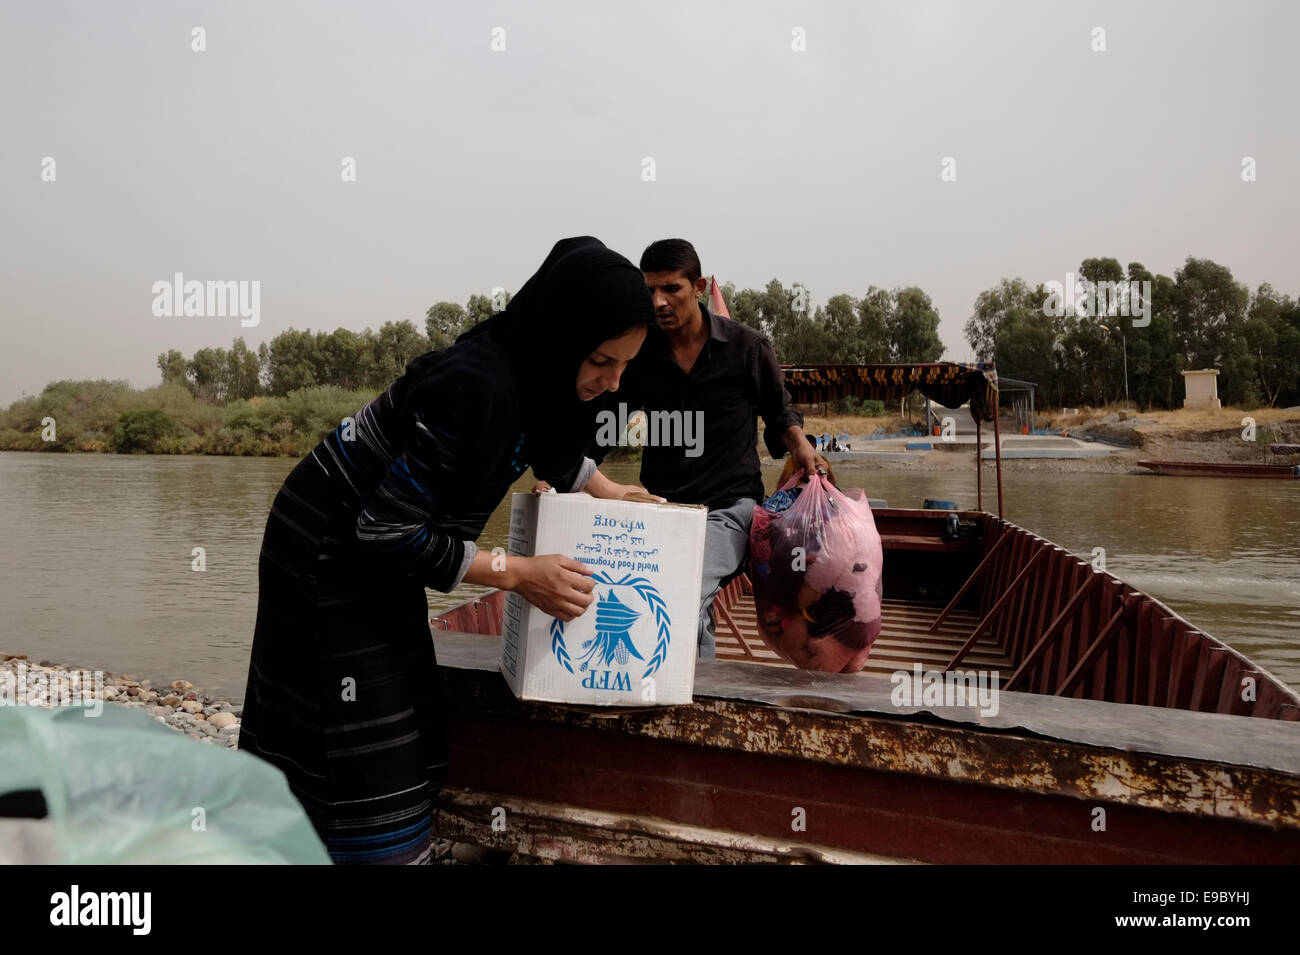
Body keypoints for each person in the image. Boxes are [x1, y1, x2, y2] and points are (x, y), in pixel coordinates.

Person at [238, 237, 657, 864]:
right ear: (562, 336)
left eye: (624, 365)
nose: (612, 381)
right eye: (601, 360)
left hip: (377, 550)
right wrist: (515, 573)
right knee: (357, 732)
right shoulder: (475, 386)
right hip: (325, 551)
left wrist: (608, 490)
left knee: (413, 720)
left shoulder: (533, 370)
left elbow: (548, 439)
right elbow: (383, 530)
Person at [573, 239, 821, 659]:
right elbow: (608, 425)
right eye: (649, 290)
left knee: (680, 588)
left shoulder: (747, 347)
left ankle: (684, 687)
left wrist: (800, 446)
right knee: (677, 597)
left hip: (730, 509)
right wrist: (564, 472)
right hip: (659, 509)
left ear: (700, 286)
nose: (658, 302)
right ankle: (699, 689)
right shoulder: (641, 353)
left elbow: (780, 415)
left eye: (671, 289)